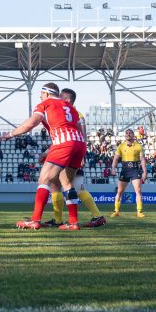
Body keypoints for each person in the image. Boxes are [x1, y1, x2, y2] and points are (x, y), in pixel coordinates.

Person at [5, 82, 87, 231]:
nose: (40, 97)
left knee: (44, 179)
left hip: (63, 143)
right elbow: (79, 129)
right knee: (67, 183)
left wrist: (10, 134)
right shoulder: (71, 107)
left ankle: (35, 220)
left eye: (41, 94)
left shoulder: (45, 104)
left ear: (47, 93)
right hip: (79, 143)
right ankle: (73, 222)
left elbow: (30, 124)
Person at [47, 88, 107, 228]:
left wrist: (81, 156)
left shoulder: (73, 113)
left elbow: (80, 135)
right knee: (67, 186)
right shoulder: (72, 113)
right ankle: (96, 216)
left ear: (68, 100)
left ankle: (63, 220)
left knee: (62, 185)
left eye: (61, 96)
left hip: (69, 152)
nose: (58, 98)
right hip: (72, 151)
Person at [112, 128, 147, 219]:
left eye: (130, 133)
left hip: (135, 170)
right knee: (119, 191)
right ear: (125, 135)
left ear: (133, 135)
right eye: (126, 133)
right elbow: (116, 158)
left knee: (138, 190)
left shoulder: (138, 146)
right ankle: (116, 211)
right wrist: (113, 168)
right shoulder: (121, 146)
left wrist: (145, 172)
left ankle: (139, 211)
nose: (128, 134)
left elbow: (142, 159)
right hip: (125, 170)